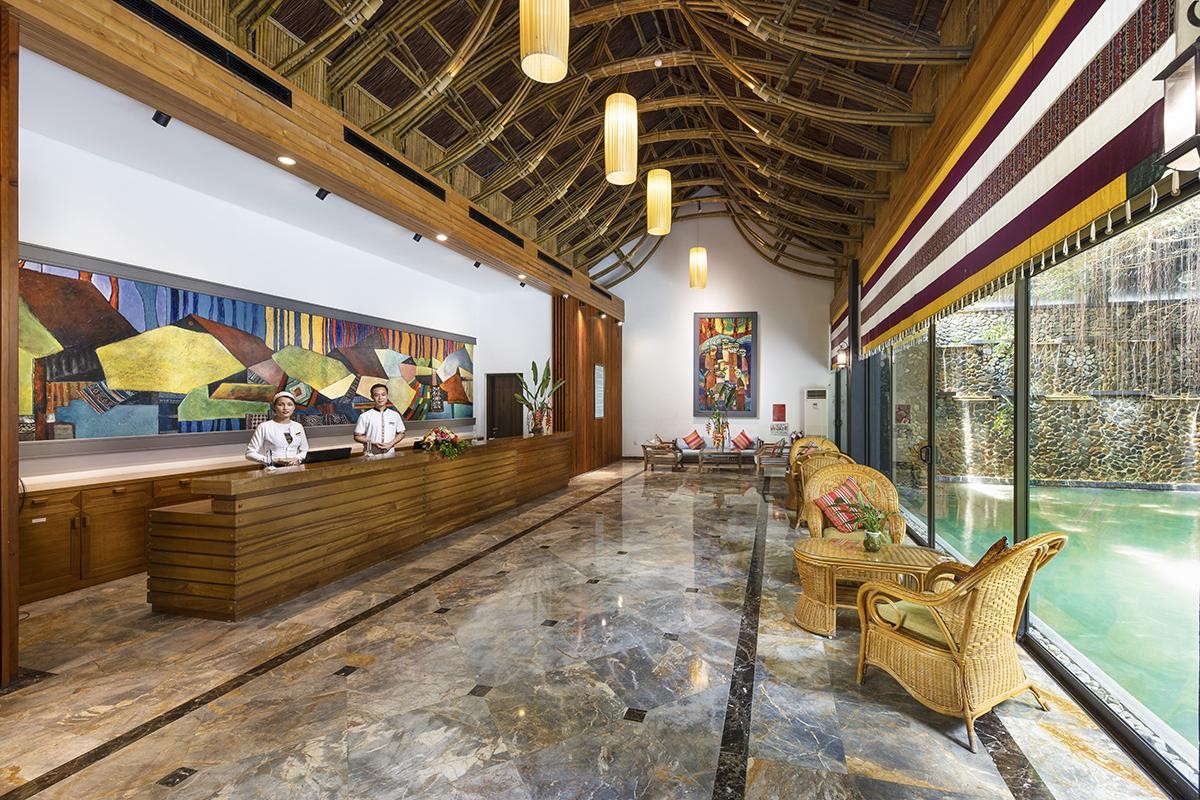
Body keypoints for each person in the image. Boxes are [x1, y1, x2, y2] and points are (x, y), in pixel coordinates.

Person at [246, 391, 309, 466]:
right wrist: (274, 460)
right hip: (272, 469)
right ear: (274, 407)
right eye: (280, 405)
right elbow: (250, 453)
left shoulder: (298, 426)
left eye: (289, 404)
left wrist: (297, 458)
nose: (285, 408)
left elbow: (304, 450)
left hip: (295, 469)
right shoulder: (264, 427)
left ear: (294, 407)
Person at [354, 383, 406, 455]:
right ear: (372, 397)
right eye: (376, 395)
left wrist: (391, 443)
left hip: (390, 454)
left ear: (387, 396)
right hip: (370, 455)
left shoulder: (395, 415)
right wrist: (373, 443)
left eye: (383, 395)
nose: (380, 398)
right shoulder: (364, 416)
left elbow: (401, 433)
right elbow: (357, 436)